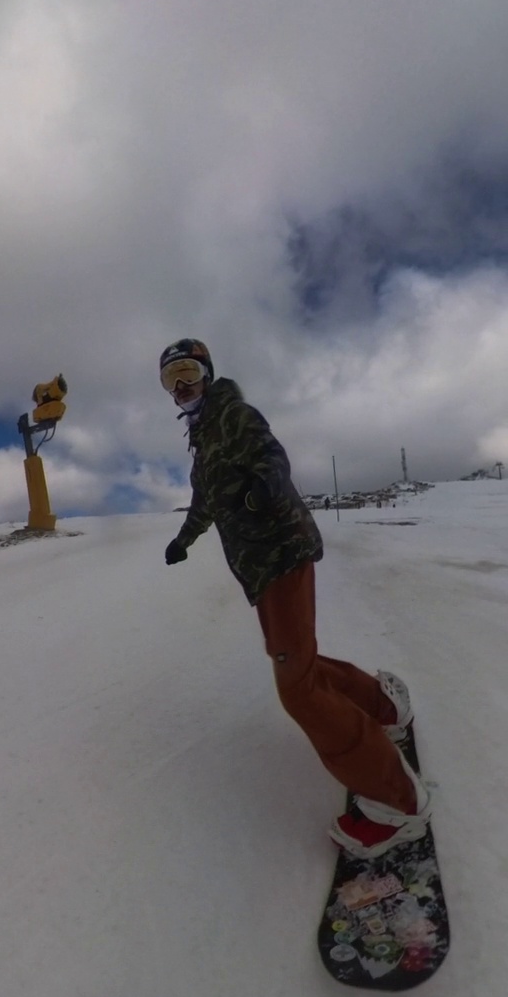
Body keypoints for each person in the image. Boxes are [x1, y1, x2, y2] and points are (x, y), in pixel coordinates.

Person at [159, 338, 431, 858]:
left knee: (297, 688)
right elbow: (205, 501)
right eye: (170, 380)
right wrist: (183, 540)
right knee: (296, 663)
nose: (181, 386)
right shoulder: (204, 435)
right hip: (261, 567)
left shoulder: (232, 414)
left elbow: (271, 457)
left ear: (208, 372)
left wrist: (265, 489)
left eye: (188, 372)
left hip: (280, 549)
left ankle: (400, 804)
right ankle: (383, 706)